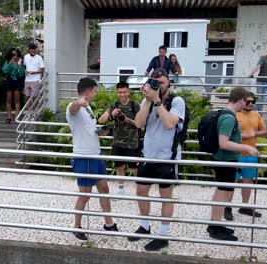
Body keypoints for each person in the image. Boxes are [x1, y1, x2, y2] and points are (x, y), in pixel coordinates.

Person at [128, 68, 185, 251]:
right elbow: (138, 124)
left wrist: (158, 101)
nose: (158, 85)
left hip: (167, 157)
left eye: (161, 82)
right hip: (148, 155)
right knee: (141, 191)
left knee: (165, 196)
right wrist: (147, 100)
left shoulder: (176, 101)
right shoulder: (148, 101)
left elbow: (169, 124)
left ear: (168, 82)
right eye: (155, 82)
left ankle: (163, 235)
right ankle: (145, 226)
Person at [66, 78, 119, 241]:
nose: (96, 94)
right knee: (85, 195)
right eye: (95, 91)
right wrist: (78, 102)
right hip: (84, 157)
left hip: (96, 155)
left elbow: (88, 128)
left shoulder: (88, 107)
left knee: (104, 188)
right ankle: (76, 227)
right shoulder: (73, 106)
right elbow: (73, 108)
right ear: (88, 92)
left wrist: (99, 131)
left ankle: (108, 224)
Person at [206, 87, 260, 241]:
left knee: (221, 192)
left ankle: (215, 223)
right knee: (222, 193)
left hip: (224, 159)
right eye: (246, 101)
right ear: (241, 100)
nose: (247, 104)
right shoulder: (229, 117)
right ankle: (215, 228)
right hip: (226, 160)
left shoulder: (226, 114)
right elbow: (223, 143)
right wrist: (247, 147)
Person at [224, 92, 267, 220]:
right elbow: (229, 135)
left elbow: (264, 131)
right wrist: (246, 135)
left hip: (251, 153)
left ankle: (245, 206)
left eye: (253, 102)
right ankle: (227, 207)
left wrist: (254, 134)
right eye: (248, 101)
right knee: (232, 181)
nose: (250, 104)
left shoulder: (256, 115)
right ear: (242, 101)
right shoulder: (234, 114)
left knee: (248, 181)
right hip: (235, 154)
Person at [98, 81, 141, 195]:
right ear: (117, 92)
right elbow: (101, 120)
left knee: (135, 168)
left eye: (124, 92)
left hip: (132, 142)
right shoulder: (114, 105)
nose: (122, 94)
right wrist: (111, 113)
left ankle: (140, 189)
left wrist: (127, 120)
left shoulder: (135, 105)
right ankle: (121, 189)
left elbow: (140, 124)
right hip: (117, 142)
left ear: (129, 91)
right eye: (120, 92)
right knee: (119, 166)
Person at [2, 48, 25, 123]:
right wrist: (10, 63)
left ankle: (16, 117)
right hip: (9, 81)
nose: (14, 55)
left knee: (17, 99)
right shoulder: (7, 61)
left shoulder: (19, 61)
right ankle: (9, 116)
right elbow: (5, 70)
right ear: (10, 54)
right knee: (9, 99)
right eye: (12, 54)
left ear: (17, 54)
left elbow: (21, 74)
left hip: (17, 81)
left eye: (15, 54)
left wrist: (19, 65)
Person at [23, 43, 45, 111]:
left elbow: (43, 70)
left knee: (35, 97)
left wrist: (34, 72)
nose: (33, 52)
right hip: (27, 80)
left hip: (35, 80)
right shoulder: (26, 57)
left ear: (36, 50)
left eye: (34, 51)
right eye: (31, 51)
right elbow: (24, 67)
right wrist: (25, 71)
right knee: (27, 96)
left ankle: (34, 112)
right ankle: (28, 111)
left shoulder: (39, 58)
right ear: (28, 50)